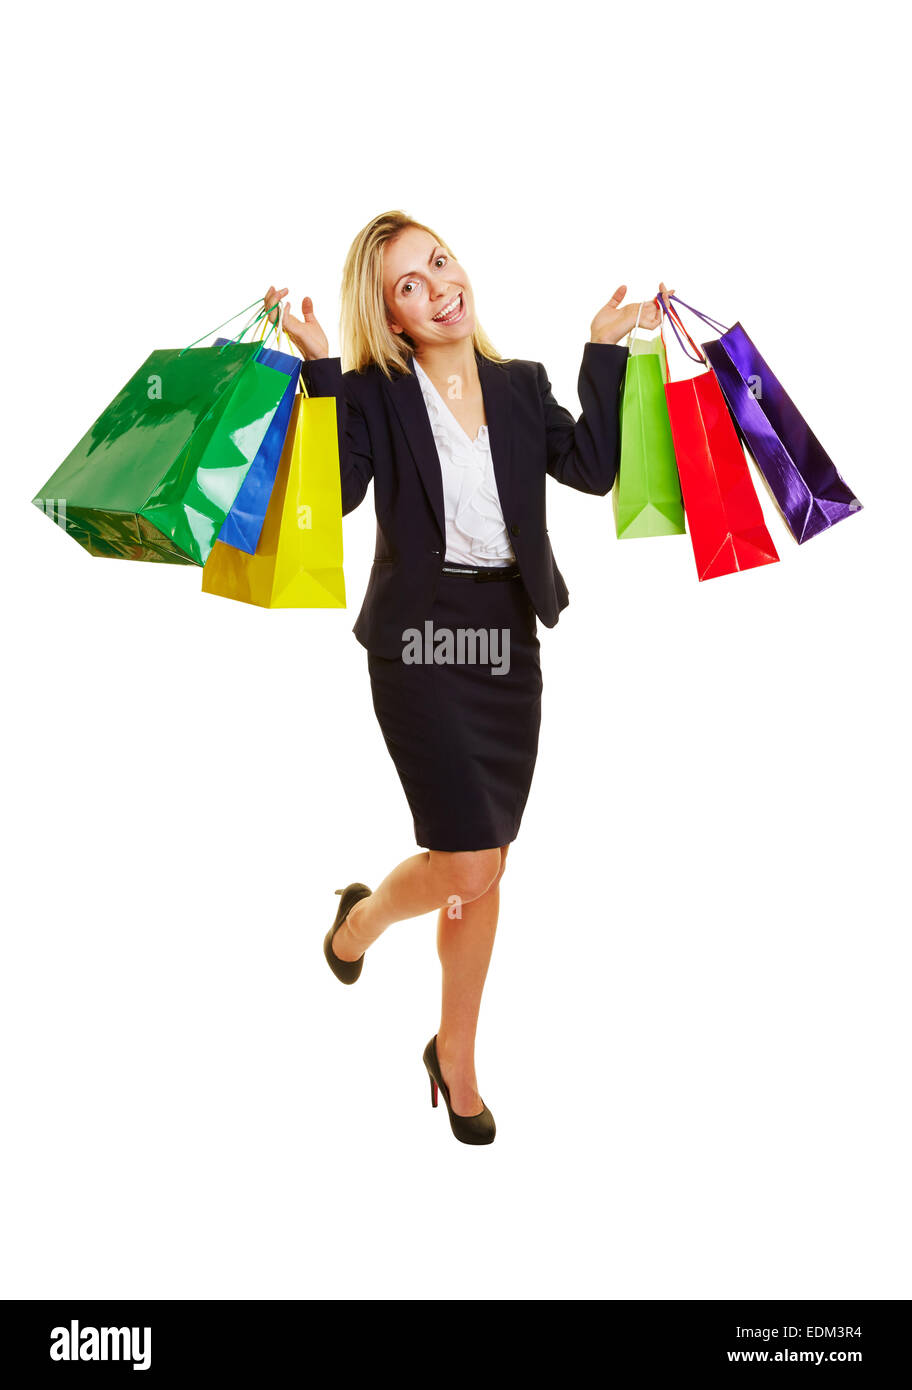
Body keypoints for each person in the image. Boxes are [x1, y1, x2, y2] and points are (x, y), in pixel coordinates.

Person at [264, 211, 670, 1144]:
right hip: (418, 640)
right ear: (392, 316)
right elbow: (342, 490)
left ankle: (448, 1049)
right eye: (409, 284)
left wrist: (601, 351)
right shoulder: (371, 393)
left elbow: (594, 467)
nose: (438, 286)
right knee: (470, 861)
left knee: (481, 866)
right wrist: (321, 368)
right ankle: (367, 931)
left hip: (504, 641)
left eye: (439, 262)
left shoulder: (521, 386)